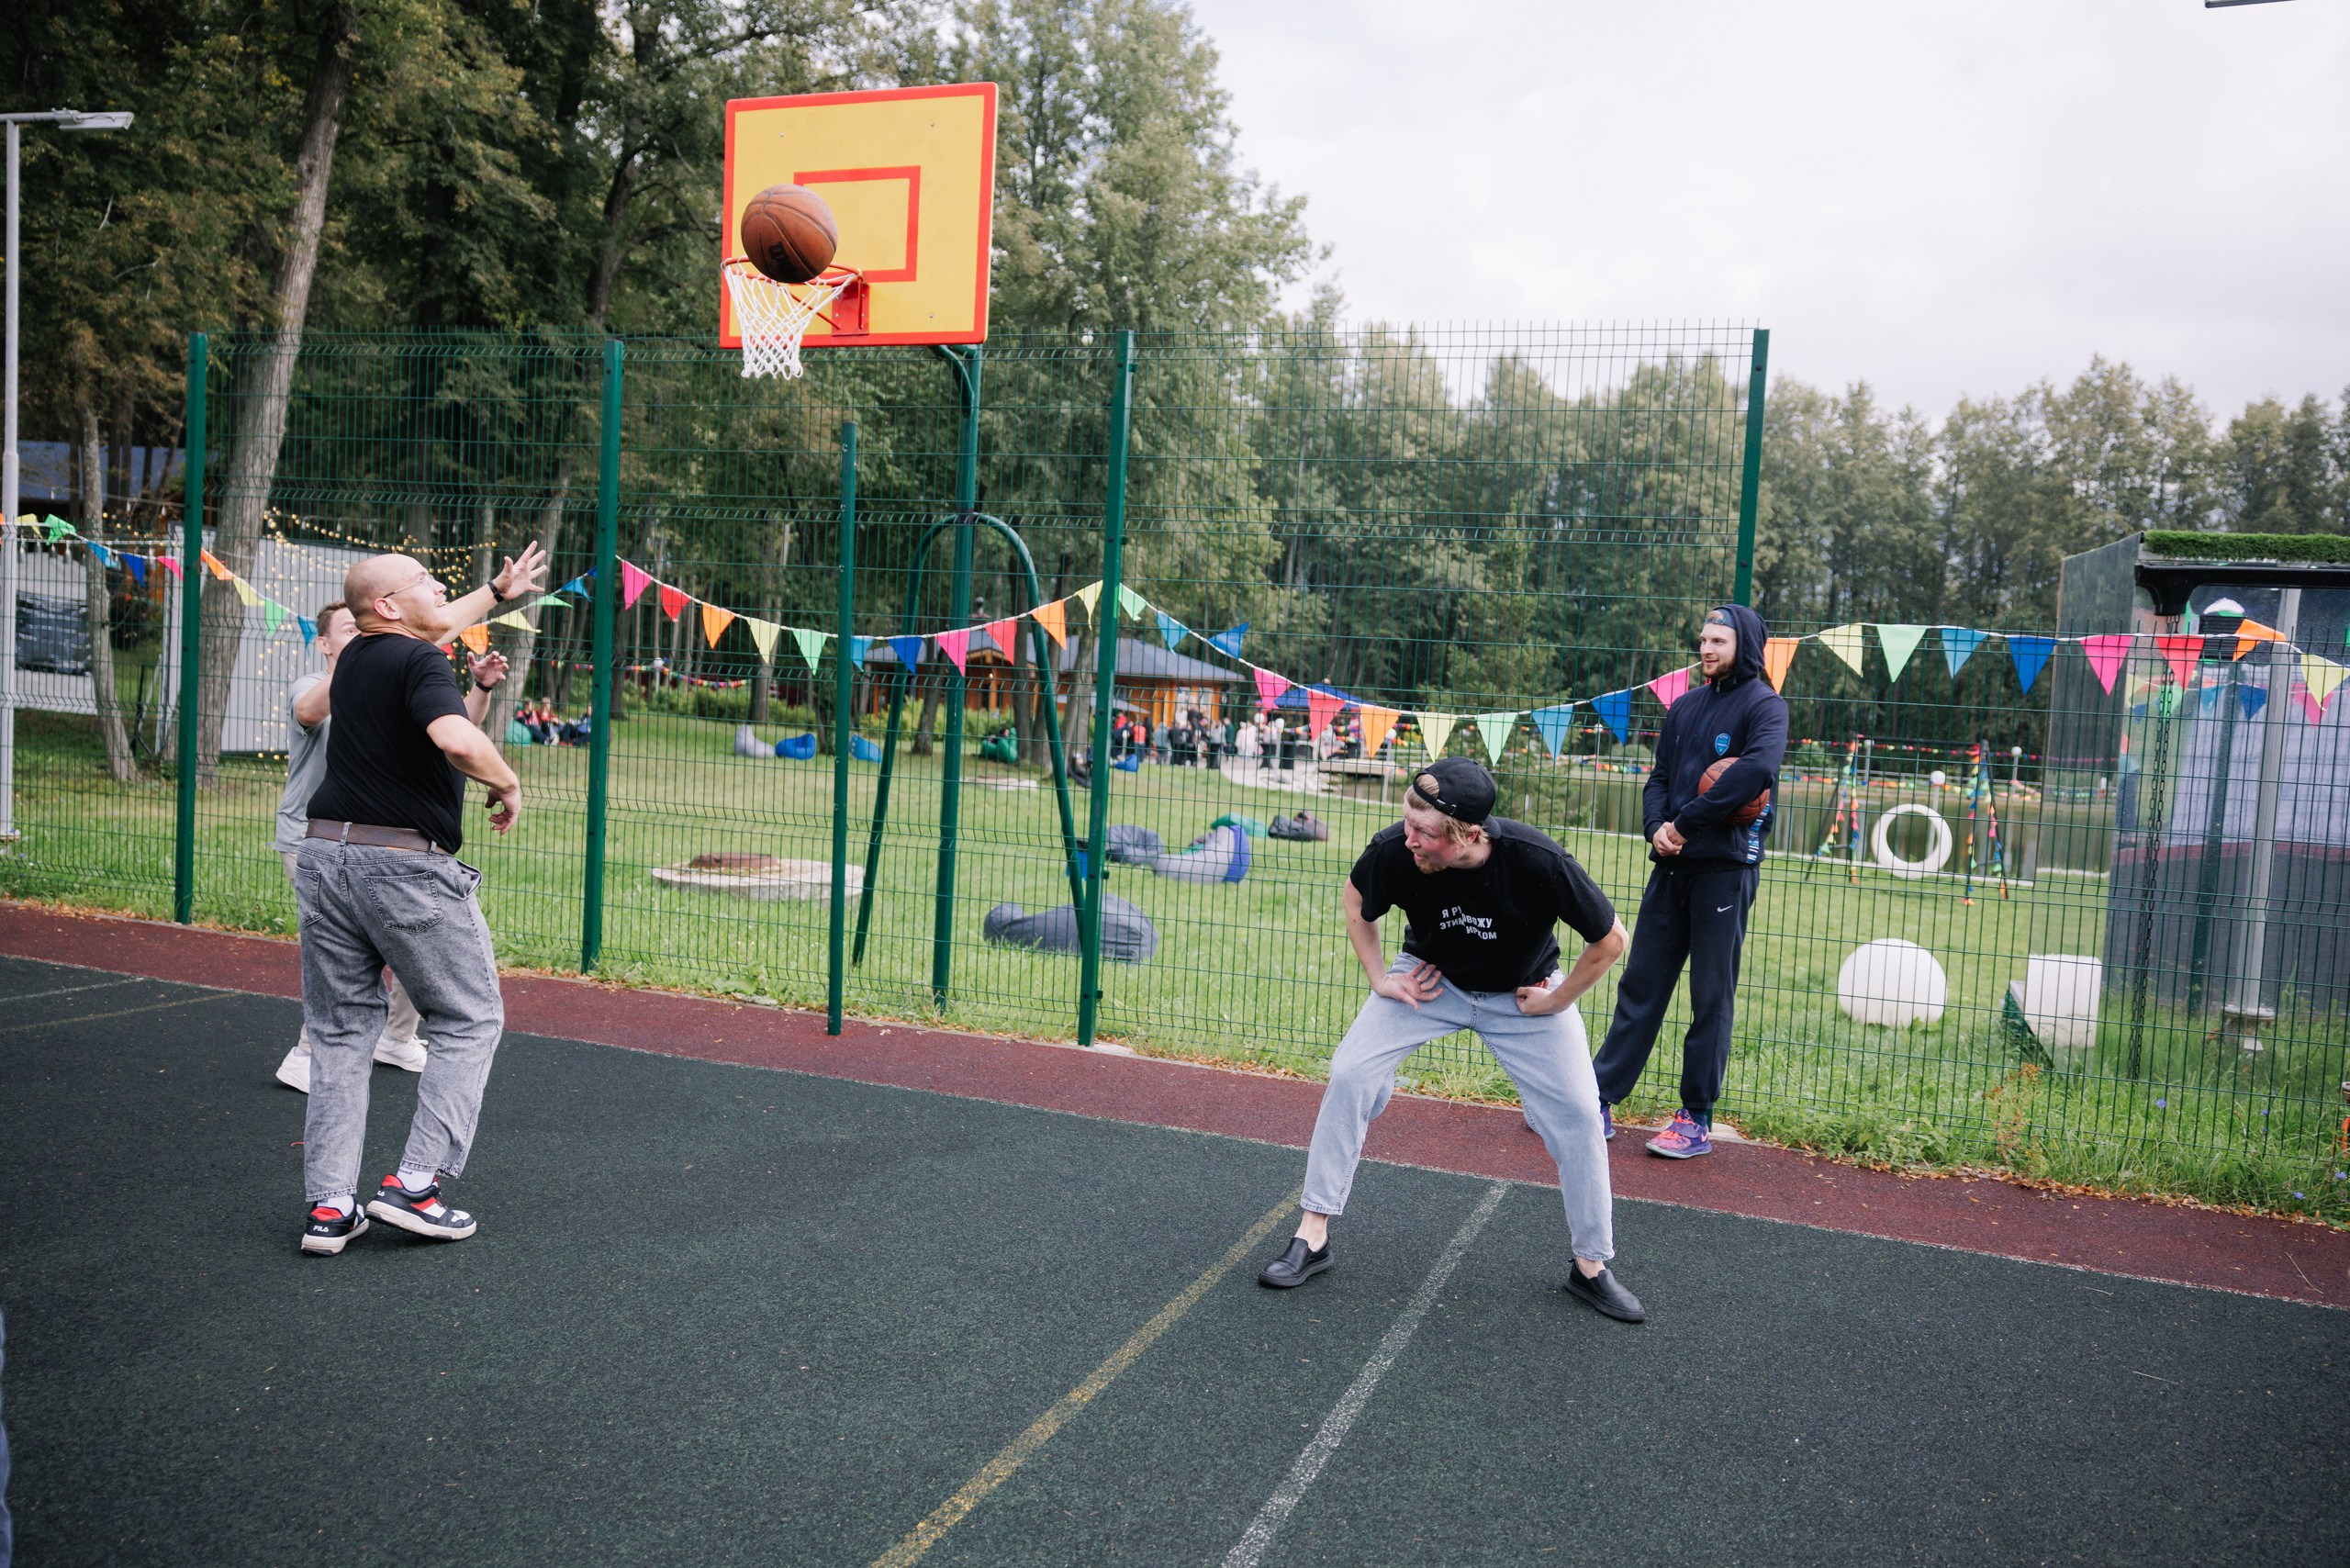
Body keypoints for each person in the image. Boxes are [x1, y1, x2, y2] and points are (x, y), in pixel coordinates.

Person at [1256, 757, 1645, 1323]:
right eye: (1407, 822)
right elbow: (1355, 899)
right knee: (1351, 1073)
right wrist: (1378, 979)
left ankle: (1591, 1267)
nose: (1408, 838)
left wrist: (1557, 1002)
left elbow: (1612, 939)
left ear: (1467, 834)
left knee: (1582, 1113)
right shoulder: (1396, 849)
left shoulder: (1538, 859)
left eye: (1424, 832)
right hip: (1430, 982)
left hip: (1523, 996)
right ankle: (1312, 1233)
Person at [293, 546, 544, 1257]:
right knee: (469, 1016)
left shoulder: (358, 662)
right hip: (399, 866)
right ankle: (416, 1186)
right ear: (390, 607)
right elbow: (453, 736)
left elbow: (437, 623)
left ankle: (330, 1208)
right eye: (426, 582)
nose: (442, 587)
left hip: (323, 858)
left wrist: (496, 590)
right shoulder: (422, 660)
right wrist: (508, 780)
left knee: (341, 1034)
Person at [273, 601, 508, 1092]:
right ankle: (308, 1052)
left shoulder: (388, 680)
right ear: (325, 643)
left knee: (409, 949)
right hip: (317, 839)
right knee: (350, 958)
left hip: (388, 844)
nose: (361, 636)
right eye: (349, 631)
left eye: (362, 629)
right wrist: (374, 657)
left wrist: (480, 687)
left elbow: (453, 729)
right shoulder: (316, 686)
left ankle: (397, 1037)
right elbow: (310, 711)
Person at [1592, 603, 1787, 1159]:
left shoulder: (1766, 708)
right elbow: (1658, 778)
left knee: (1710, 996)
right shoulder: (1684, 707)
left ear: (1744, 646)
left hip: (1725, 871)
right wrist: (1657, 826)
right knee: (1640, 985)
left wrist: (1685, 821)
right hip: (1671, 865)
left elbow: (1754, 773)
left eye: (1718, 642)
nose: (1706, 650)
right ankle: (1599, 1098)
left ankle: (1695, 1116)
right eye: (1702, 640)